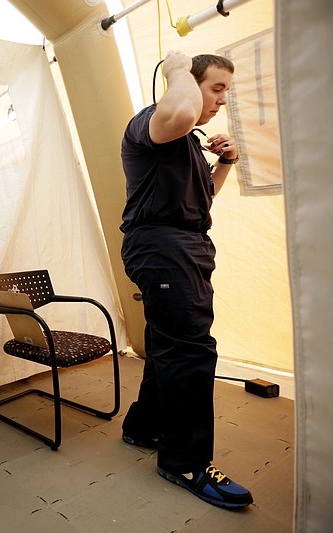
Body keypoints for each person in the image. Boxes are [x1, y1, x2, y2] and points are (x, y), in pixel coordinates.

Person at [118, 51, 252, 509]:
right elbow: (176, 110)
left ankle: (143, 427)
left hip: (184, 245)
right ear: (191, 84)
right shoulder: (152, 121)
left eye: (224, 93)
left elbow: (201, 201)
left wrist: (225, 164)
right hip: (163, 247)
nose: (220, 101)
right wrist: (177, 67)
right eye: (216, 89)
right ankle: (184, 461)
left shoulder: (189, 143)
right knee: (191, 351)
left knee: (167, 342)